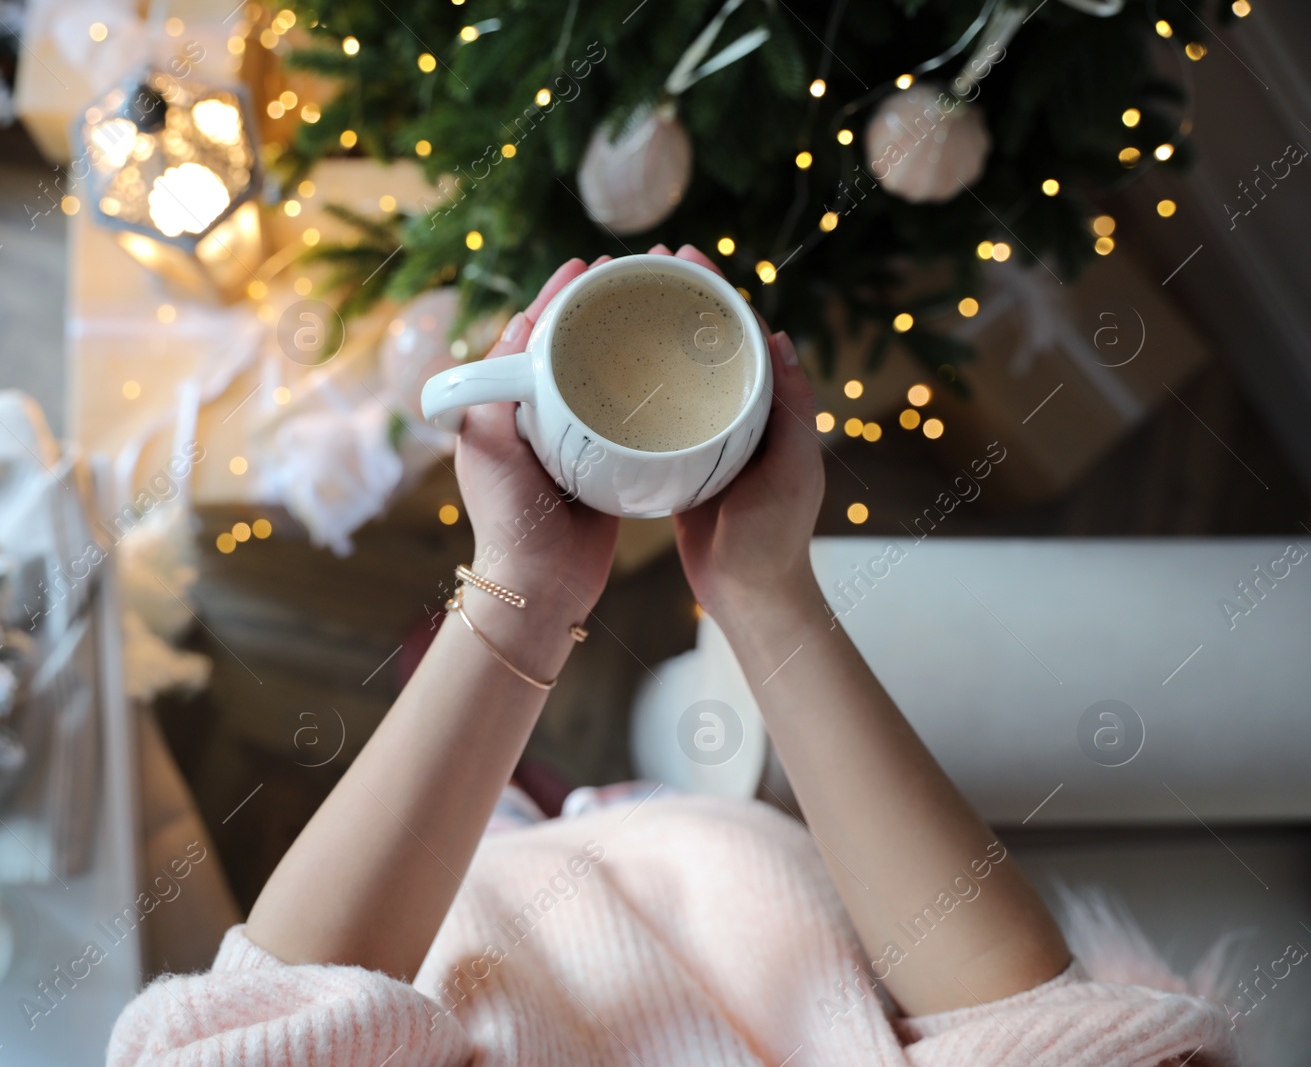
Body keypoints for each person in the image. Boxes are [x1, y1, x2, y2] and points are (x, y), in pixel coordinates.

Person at [107, 248, 1236, 1066]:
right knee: (583, 792)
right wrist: (762, 591)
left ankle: (519, 791)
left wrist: (519, 605)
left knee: (506, 816)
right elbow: (1057, 1037)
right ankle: (544, 791)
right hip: (725, 868)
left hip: (475, 933)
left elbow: (258, 1032)